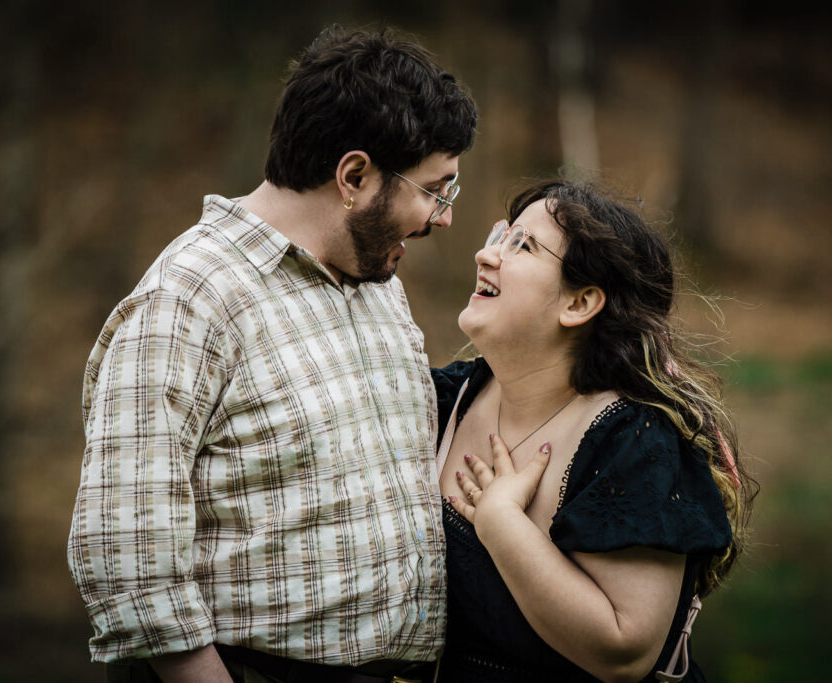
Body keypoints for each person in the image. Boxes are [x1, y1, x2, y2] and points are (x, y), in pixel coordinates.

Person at [67, 26, 476, 683]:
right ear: (355, 175)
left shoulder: (376, 283)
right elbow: (128, 550)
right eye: (435, 189)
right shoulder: (191, 296)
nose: (444, 217)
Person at [431, 179, 755, 682]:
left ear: (579, 304)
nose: (486, 254)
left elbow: (624, 653)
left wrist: (500, 523)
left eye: (523, 245)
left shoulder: (635, 440)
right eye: (502, 235)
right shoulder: (445, 401)